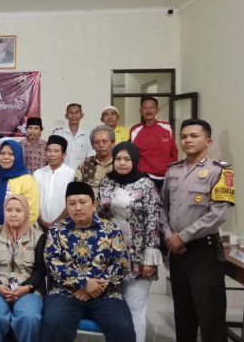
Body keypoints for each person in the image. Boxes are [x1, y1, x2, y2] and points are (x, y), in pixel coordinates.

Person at [159, 119, 234, 342]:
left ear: (208, 141)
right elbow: (162, 206)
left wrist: (182, 236)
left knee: (210, 316)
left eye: (194, 136)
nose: (188, 140)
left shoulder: (221, 171)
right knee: (183, 315)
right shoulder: (173, 170)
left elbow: (218, 214)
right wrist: (169, 236)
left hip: (204, 251)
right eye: (183, 136)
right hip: (177, 251)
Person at [41, 182, 134, 342]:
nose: (77, 208)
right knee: (53, 324)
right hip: (65, 293)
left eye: (82, 202)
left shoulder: (111, 230)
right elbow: (52, 262)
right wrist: (83, 282)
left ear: (94, 205)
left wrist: (96, 286)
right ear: (67, 207)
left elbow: (122, 263)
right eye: (72, 203)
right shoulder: (56, 230)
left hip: (106, 293)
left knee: (123, 328)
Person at [98, 142, 162, 342]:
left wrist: (149, 259)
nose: (122, 163)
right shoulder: (106, 181)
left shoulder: (146, 184)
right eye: (118, 159)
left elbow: (153, 221)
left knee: (135, 309)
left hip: (137, 255)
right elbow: (100, 215)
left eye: (127, 159)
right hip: (110, 255)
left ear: (134, 160)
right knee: (114, 310)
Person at [0, 195, 46, 342]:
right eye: (9, 210)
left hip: (28, 289)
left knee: (30, 318)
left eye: (18, 210)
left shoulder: (38, 236)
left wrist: (26, 288)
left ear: (26, 212)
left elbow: (40, 270)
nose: (13, 214)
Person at [0, 140, 40, 230]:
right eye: (2, 153)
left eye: (11, 154)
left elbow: (32, 212)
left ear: (18, 156)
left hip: (18, 233)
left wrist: (15, 233)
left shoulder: (27, 180)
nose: (6, 157)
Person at [130, 97, 179, 190]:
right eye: (145, 108)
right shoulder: (134, 130)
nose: (148, 111)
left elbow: (173, 152)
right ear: (140, 111)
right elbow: (132, 155)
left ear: (157, 110)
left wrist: (173, 172)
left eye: (152, 107)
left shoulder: (166, 127)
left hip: (167, 177)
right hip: (144, 178)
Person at [33, 135, 75, 230]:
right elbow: (34, 199)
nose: (52, 154)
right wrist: (40, 220)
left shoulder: (71, 174)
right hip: (40, 225)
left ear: (64, 154)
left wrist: (56, 222)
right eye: (49, 151)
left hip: (63, 225)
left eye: (56, 151)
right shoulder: (38, 173)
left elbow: (72, 202)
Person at [74, 125, 114, 200]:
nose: (101, 145)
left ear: (113, 143)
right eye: (97, 142)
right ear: (92, 146)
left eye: (105, 141)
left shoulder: (119, 165)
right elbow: (76, 191)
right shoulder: (85, 165)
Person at [52, 103, 94, 169]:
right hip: (61, 172)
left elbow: (91, 157)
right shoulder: (58, 134)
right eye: (71, 112)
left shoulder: (88, 135)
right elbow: (53, 155)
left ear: (82, 115)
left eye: (77, 112)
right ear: (66, 116)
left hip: (81, 173)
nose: (74, 115)